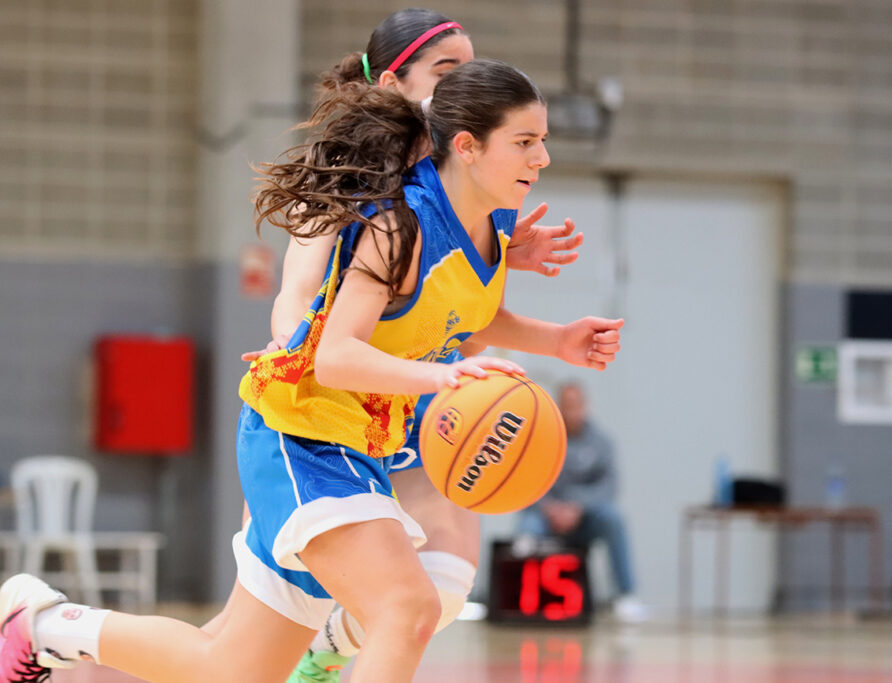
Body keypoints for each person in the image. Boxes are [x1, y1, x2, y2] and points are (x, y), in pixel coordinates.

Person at [0, 58, 622, 683]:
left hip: (358, 445)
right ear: (467, 146)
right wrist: (437, 380)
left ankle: (44, 626)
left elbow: (463, 319)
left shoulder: (494, 225)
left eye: (542, 141)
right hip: (303, 436)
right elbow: (337, 355)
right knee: (409, 610)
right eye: (525, 141)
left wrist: (557, 340)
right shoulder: (398, 225)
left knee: (230, 669)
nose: (542, 157)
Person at [217, 10, 588, 682]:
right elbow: (296, 296)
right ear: (395, 85)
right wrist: (294, 342)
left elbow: (459, 314)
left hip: (414, 405)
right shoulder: (354, 188)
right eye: (448, 70)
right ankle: (320, 648)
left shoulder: (481, 187)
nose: (466, 78)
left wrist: (511, 269)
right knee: (277, 646)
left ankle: (327, 648)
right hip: (327, 407)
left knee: (441, 592)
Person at [515, 381, 649, 623]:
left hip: (586, 518)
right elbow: (527, 479)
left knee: (614, 519)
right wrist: (550, 508)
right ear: (558, 406)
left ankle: (626, 595)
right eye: (567, 405)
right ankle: (519, 599)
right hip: (547, 516)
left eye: (576, 405)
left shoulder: (602, 443)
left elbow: (608, 486)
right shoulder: (542, 439)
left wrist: (577, 507)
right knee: (527, 527)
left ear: (585, 406)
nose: (572, 411)